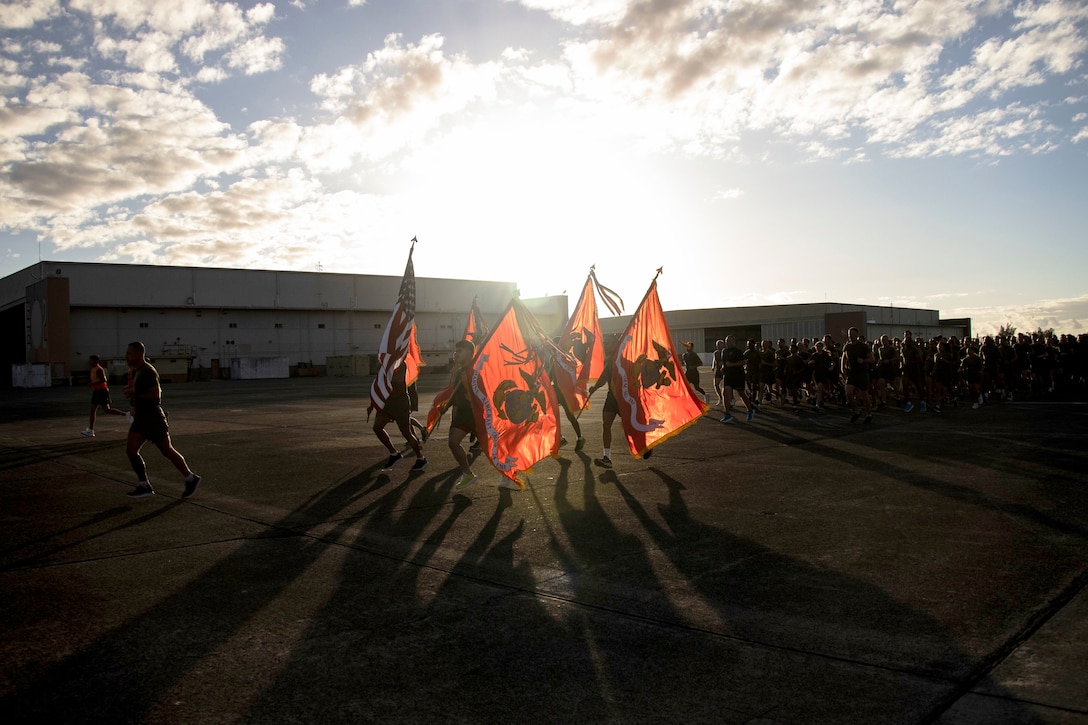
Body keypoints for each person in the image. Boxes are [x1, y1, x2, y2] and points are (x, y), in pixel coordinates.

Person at [122, 341, 201, 499]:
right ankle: (144, 485)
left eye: (129, 353)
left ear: (138, 354)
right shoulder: (136, 372)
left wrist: (134, 395)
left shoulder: (148, 371)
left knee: (167, 450)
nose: (127, 356)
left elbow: (156, 396)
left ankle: (190, 478)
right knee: (131, 450)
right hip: (141, 419)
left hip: (153, 418)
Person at [374, 361, 427, 472]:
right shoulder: (384, 362)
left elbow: (398, 380)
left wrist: (385, 373)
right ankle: (394, 454)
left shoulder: (401, 364)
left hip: (399, 402)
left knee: (406, 432)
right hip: (386, 402)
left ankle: (420, 458)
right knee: (377, 427)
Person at [447, 340, 480, 489]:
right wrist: (446, 407)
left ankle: (509, 471)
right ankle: (467, 474)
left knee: (491, 446)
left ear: (470, 353)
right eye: (456, 351)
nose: (456, 353)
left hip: (476, 413)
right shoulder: (460, 371)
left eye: (460, 351)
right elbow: (454, 394)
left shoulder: (475, 370)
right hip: (464, 413)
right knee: (453, 442)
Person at [81, 354, 127, 437]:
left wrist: (92, 383)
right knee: (97, 410)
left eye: (91, 361)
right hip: (97, 391)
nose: (90, 362)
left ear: (95, 361)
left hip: (101, 391)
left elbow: (103, 380)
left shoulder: (99, 369)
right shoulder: (93, 369)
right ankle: (91, 430)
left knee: (105, 410)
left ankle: (127, 414)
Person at [841, 327, 875, 424]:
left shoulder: (863, 346)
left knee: (864, 395)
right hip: (852, 373)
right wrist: (842, 368)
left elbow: (872, 359)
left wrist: (863, 361)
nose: (850, 336)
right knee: (848, 393)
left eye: (852, 333)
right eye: (849, 334)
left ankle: (869, 413)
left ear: (857, 334)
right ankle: (857, 410)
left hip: (862, 372)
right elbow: (844, 357)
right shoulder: (847, 346)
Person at [719, 335, 756, 423]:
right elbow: (724, 363)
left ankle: (750, 410)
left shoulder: (738, 352)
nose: (728, 343)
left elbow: (744, 362)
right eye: (726, 341)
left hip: (738, 375)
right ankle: (727, 414)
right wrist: (723, 368)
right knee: (725, 392)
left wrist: (731, 365)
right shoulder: (724, 351)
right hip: (728, 375)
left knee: (741, 394)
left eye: (730, 341)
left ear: (734, 342)